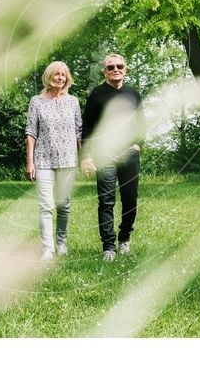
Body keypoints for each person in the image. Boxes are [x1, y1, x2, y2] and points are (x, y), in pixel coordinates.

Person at [81, 53, 145, 262]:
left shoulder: (133, 94)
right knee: (106, 201)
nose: (115, 69)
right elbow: (87, 127)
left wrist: (137, 145)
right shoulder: (97, 95)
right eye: (110, 67)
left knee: (130, 200)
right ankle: (108, 246)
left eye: (119, 66)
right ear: (105, 72)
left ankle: (124, 238)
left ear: (125, 69)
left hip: (129, 153)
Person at [25, 61, 82, 262]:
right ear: (49, 76)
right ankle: (48, 248)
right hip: (43, 160)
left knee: (64, 205)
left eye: (64, 75)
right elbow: (31, 132)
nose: (60, 78)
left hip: (68, 160)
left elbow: (79, 132)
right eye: (57, 74)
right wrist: (30, 162)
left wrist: (84, 157)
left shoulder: (73, 101)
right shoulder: (36, 101)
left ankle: (62, 244)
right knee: (46, 206)